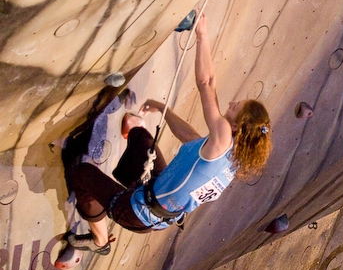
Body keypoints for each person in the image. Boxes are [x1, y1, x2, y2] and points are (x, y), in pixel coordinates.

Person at [63, 14, 273, 255]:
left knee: (81, 173)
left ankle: (100, 240)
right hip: (159, 199)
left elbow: (206, 83)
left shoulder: (224, 136)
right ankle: (125, 172)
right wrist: (164, 110)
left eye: (236, 107)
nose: (232, 103)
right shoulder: (231, 158)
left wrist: (202, 35)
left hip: (137, 213)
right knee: (141, 137)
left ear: (236, 127)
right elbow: (190, 138)